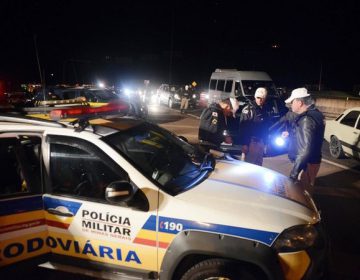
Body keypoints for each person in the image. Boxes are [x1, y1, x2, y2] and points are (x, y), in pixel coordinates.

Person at [285, 87, 325, 195]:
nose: (291, 104)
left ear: (300, 102)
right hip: (310, 162)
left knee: (302, 194)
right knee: (306, 191)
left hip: (306, 164)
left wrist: (293, 175)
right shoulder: (315, 114)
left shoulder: (306, 119)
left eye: (292, 102)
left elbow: (305, 150)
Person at [238, 87, 271, 166]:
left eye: (262, 98)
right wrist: (245, 144)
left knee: (258, 166)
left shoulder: (265, 110)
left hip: (261, 142)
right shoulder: (248, 109)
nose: (260, 100)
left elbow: (266, 128)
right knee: (248, 166)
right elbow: (243, 128)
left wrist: (266, 142)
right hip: (251, 142)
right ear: (255, 97)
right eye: (258, 98)